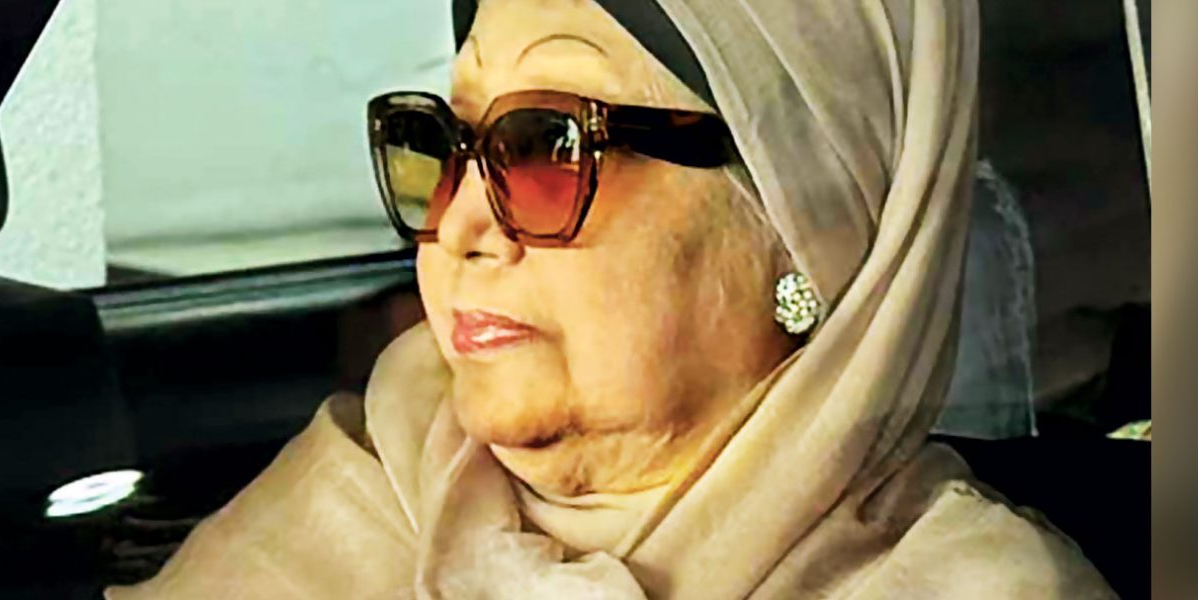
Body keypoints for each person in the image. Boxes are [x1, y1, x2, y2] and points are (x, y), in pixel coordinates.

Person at [108, 0, 1115, 597]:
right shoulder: (358, 499)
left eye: (545, 146)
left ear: (803, 222)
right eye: (443, 144)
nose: (459, 223)